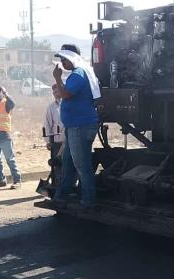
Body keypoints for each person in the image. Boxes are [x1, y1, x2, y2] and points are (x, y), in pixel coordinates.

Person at [51, 44, 101, 208]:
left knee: (82, 165)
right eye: (61, 60)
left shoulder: (78, 74)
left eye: (65, 59)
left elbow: (65, 94)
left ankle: (88, 201)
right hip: (76, 126)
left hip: (80, 126)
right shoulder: (81, 72)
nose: (63, 63)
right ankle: (63, 195)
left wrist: (57, 78)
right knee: (69, 161)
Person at [44, 84, 65, 189]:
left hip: (69, 141)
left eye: (57, 91)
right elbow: (47, 124)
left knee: (69, 164)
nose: (55, 94)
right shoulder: (51, 107)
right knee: (57, 164)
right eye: (54, 92)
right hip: (56, 141)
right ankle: (57, 186)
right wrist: (47, 141)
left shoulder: (69, 104)